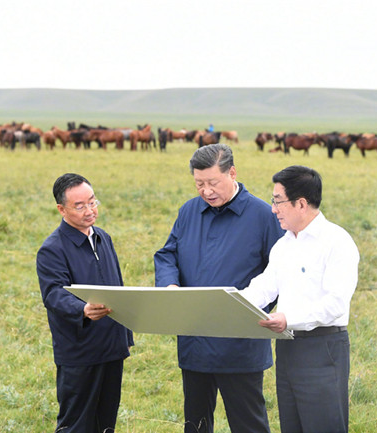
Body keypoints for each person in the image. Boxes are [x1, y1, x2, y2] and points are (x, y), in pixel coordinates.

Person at [154, 143, 284, 433]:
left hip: (241, 343)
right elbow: (167, 255)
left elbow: (279, 273)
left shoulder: (263, 215)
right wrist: (169, 285)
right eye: (199, 183)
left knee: (248, 425)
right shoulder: (188, 211)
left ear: (232, 173)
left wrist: (255, 313)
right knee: (196, 424)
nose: (206, 191)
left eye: (213, 182)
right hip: (195, 339)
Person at [240, 165, 360, 433]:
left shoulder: (336, 242)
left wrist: (288, 319)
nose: (273, 209)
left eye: (278, 201)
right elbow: (264, 287)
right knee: (291, 425)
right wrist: (234, 303)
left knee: (323, 426)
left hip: (323, 348)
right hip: (287, 348)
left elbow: (336, 303)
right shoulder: (283, 245)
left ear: (301, 204)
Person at [37, 173, 134, 433]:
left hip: (112, 346)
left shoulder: (103, 237)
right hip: (79, 351)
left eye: (92, 202)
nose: (89, 210)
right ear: (62, 209)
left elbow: (117, 286)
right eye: (79, 206)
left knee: (106, 422)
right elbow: (53, 294)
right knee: (76, 424)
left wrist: (125, 335)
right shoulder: (52, 249)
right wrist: (82, 309)